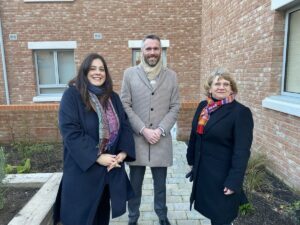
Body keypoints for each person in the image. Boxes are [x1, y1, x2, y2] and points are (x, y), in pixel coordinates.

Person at [53, 53, 135, 225]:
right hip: (82, 173)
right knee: (80, 219)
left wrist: (122, 153)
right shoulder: (72, 96)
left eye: (101, 69)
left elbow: (125, 125)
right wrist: (97, 156)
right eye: (92, 69)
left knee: (100, 217)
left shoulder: (113, 97)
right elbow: (71, 132)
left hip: (106, 173)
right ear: (84, 72)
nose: (98, 72)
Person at [121, 34, 180, 225]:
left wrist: (161, 129)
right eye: (148, 48)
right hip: (137, 141)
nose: (152, 52)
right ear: (142, 51)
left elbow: (175, 106)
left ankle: (162, 216)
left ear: (160, 51)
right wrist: (143, 129)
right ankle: (133, 217)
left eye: (156, 48)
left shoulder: (171, 76)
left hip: (160, 140)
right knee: (135, 184)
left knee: (160, 185)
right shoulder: (129, 74)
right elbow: (125, 104)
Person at [186, 68, 254, 225]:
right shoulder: (204, 106)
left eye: (226, 84)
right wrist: (191, 160)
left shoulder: (240, 112)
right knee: (212, 214)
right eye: (217, 83)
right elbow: (194, 134)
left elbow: (242, 151)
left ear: (232, 89)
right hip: (204, 174)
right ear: (210, 88)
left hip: (223, 176)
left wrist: (233, 182)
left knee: (222, 217)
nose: (221, 87)